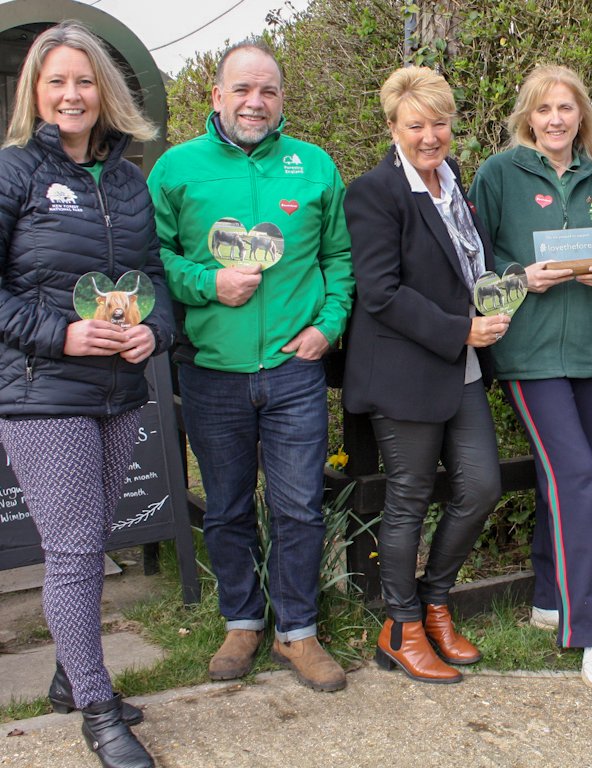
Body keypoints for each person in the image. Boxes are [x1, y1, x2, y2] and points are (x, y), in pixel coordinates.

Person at [148, 40, 354, 692]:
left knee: (298, 508)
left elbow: (339, 261)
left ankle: (297, 631)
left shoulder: (314, 166)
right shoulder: (176, 170)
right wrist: (209, 285)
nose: (254, 101)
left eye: (267, 90)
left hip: (294, 371)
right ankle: (241, 620)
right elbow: (152, 262)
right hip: (211, 371)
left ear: (281, 99)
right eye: (241, 89)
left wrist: (327, 326)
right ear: (216, 96)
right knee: (229, 508)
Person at [0, 20, 174, 768]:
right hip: (44, 394)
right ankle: (100, 713)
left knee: (91, 542)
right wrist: (59, 336)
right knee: (72, 555)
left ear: (104, 91)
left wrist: (153, 334)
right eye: (56, 81)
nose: (71, 94)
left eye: (83, 81)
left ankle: (72, 682)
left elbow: (156, 284)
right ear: (35, 93)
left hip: (120, 391)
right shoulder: (13, 172)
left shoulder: (130, 179)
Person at [470, 64, 592, 689]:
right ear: (528, 118)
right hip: (529, 353)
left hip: (590, 351)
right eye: (544, 110)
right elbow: (475, 256)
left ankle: (546, 596)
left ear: (581, 116)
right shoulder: (498, 174)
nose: (556, 120)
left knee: (560, 477)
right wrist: (520, 277)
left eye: (566, 108)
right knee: (579, 475)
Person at [343, 66, 508, 684]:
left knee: (482, 486)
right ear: (393, 127)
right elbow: (380, 293)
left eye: (439, 122)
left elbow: (467, 264)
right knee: (408, 496)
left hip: (462, 367)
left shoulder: (452, 181)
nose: (430, 135)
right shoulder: (375, 193)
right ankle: (400, 625)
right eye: (416, 125)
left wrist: (494, 304)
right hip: (406, 371)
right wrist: (459, 329)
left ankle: (435, 602)